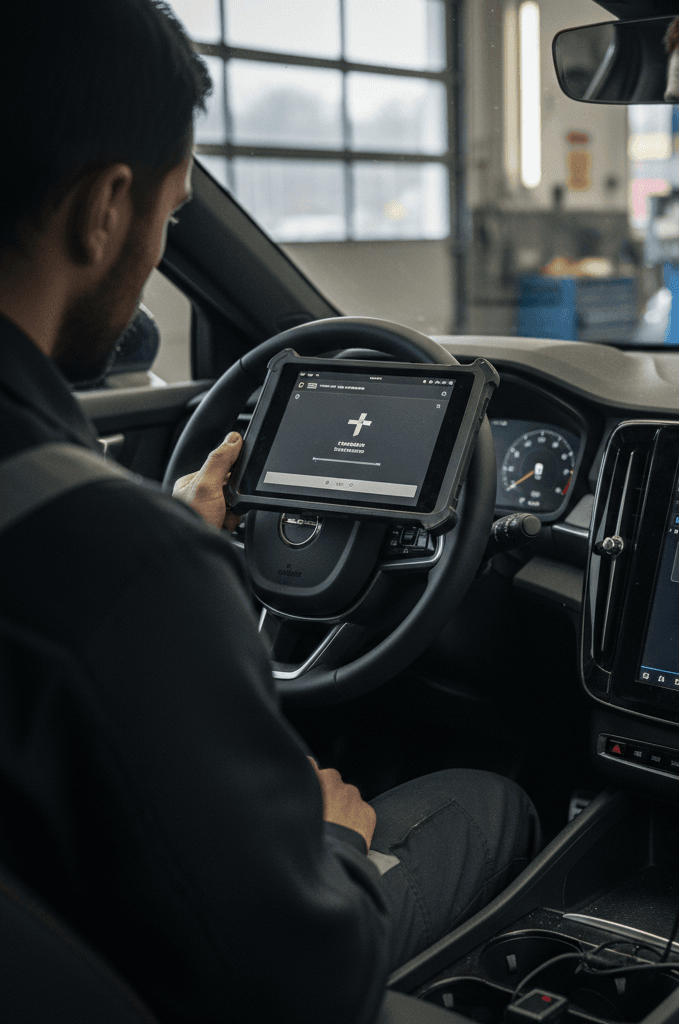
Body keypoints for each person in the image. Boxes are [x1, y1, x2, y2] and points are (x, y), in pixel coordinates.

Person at [0, 2, 539, 1022]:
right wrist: (333, 840)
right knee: (487, 800)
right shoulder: (122, 565)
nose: (161, 244)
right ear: (104, 207)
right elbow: (300, 981)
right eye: (170, 212)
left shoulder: (98, 540)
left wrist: (166, 535)